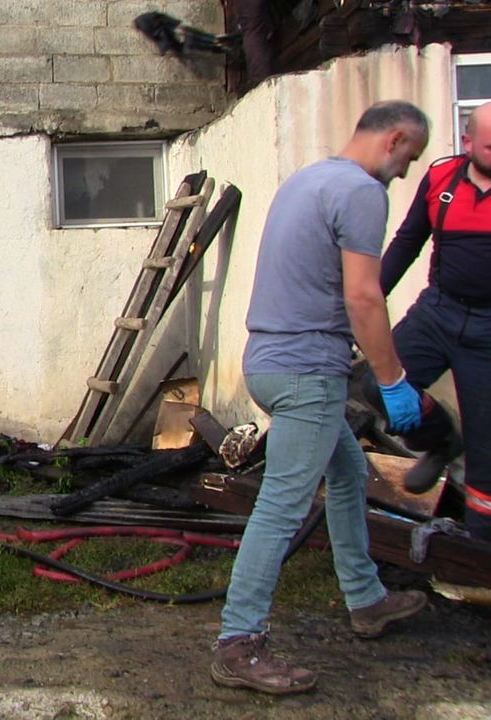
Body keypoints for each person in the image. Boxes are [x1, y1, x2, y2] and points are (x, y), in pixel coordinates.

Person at [211, 101, 432, 695]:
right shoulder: (361, 191)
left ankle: (366, 599)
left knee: (350, 468)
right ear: (394, 140)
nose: (407, 172)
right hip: (308, 371)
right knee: (282, 505)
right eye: (409, 158)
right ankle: (239, 642)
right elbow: (364, 296)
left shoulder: (308, 179)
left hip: (271, 361)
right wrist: (391, 379)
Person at [380, 102, 491, 542]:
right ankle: (442, 440)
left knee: (487, 446)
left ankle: (480, 547)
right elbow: (408, 241)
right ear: (467, 142)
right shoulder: (442, 179)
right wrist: (368, 300)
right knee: (380, 384)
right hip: (438, 311)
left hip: (488, 330)